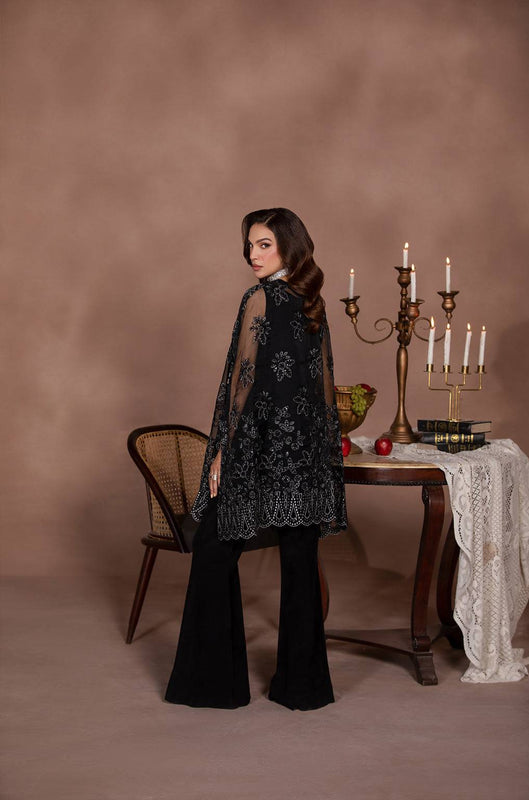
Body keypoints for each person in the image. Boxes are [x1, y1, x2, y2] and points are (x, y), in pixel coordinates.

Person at [165, 208, 347, 711]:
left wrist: (223, 452)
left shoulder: (260, 298)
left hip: (258, 447)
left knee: (213, 547)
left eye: (264, 244)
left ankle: (213, 685)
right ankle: (303, 689)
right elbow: (324, 386)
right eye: (250, 245)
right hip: (303, 452)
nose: (252, 254)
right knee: (299, 561)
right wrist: (324, 450)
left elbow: (241, 383)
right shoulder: (312, 302)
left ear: (289, 245)